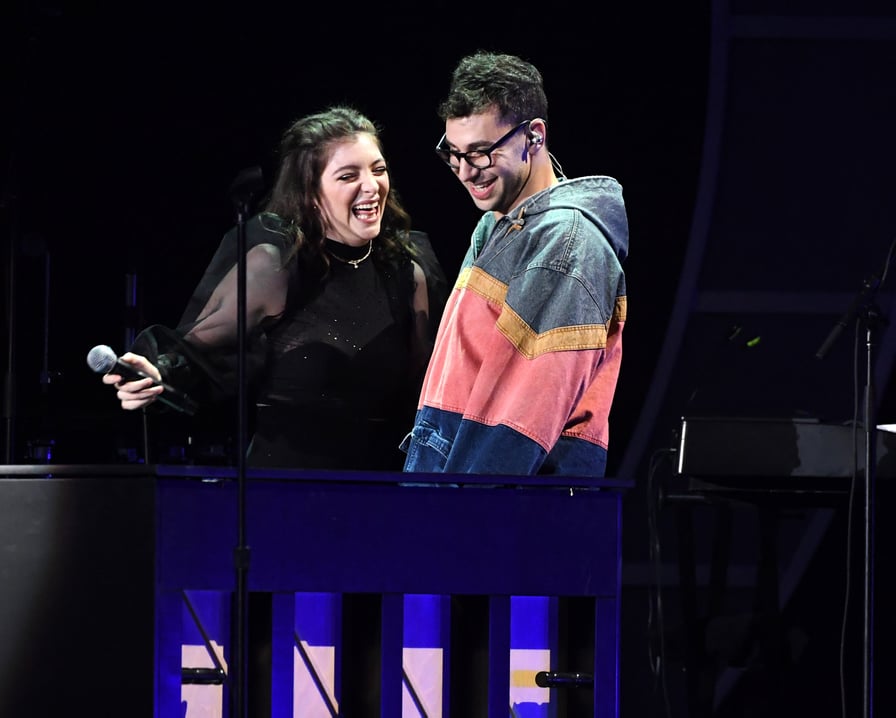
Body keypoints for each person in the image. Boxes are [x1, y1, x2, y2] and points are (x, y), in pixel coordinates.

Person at [101, 105, 446, 472]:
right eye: (348, 176)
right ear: (311, 192)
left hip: (383, 490)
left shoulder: (407, 271)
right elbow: (196, 354)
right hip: (286, 490)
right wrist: (157, 374)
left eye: (378, 170)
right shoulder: (278, 266)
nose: (372, 186)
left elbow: (431, 392)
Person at [401, 51, 629, 476]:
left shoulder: (567, 244)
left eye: (482, 152)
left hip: (503, 515)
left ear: (534, 136)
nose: (466, 171)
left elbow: (518, 417)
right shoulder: (497, 227)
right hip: (462, 496)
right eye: (453, 153)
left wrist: (450, 518)